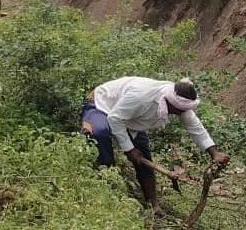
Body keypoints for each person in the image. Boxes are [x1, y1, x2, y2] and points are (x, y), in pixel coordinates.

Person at [80, 76, 230, 210]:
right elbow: (114, 118)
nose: (182, 113)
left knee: (143, 156)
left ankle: (153, 206)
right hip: (101, 104)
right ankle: (106, 183)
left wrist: (214, 153)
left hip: (129, 118)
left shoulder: (178, 102)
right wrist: (129, 150)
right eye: (179, 110)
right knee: (99, 134)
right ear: (172, 103)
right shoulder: (141, 97)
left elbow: (195, 127)